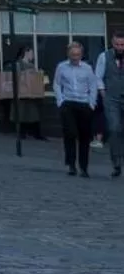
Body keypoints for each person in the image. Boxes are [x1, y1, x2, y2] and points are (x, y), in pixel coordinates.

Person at [53, 39, 99, 177]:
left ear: (81, 55)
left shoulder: (87, 68)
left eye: (77, 55)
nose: (75, 58)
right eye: (73, 55)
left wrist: (91, 103)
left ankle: (84, 167)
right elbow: (57, 84)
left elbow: (93, 86)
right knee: (70, 134)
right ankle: (71, 165)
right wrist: (60, 101)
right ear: (68, 54)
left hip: (84, 104)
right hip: (68, 103)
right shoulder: (61, 67)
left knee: (84, 137)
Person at [95, 30, 124, 179]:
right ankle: (117, 163)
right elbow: (98, 76)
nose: (120, 48)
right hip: (111, 98)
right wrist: (102, 92)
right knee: (114, 129)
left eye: (122, 45)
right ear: (112, 43)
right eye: (117, 44)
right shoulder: (104, 57)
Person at [13, 43, 45, 140]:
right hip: (21, 94)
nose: (33, 55)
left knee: (33, 114)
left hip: (31, 94)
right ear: (26, 53)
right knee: (22, 114)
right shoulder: (18, 64)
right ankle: (22, 133)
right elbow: (18, 77)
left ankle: (36, 134)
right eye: (31, 53)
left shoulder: (31, 65)